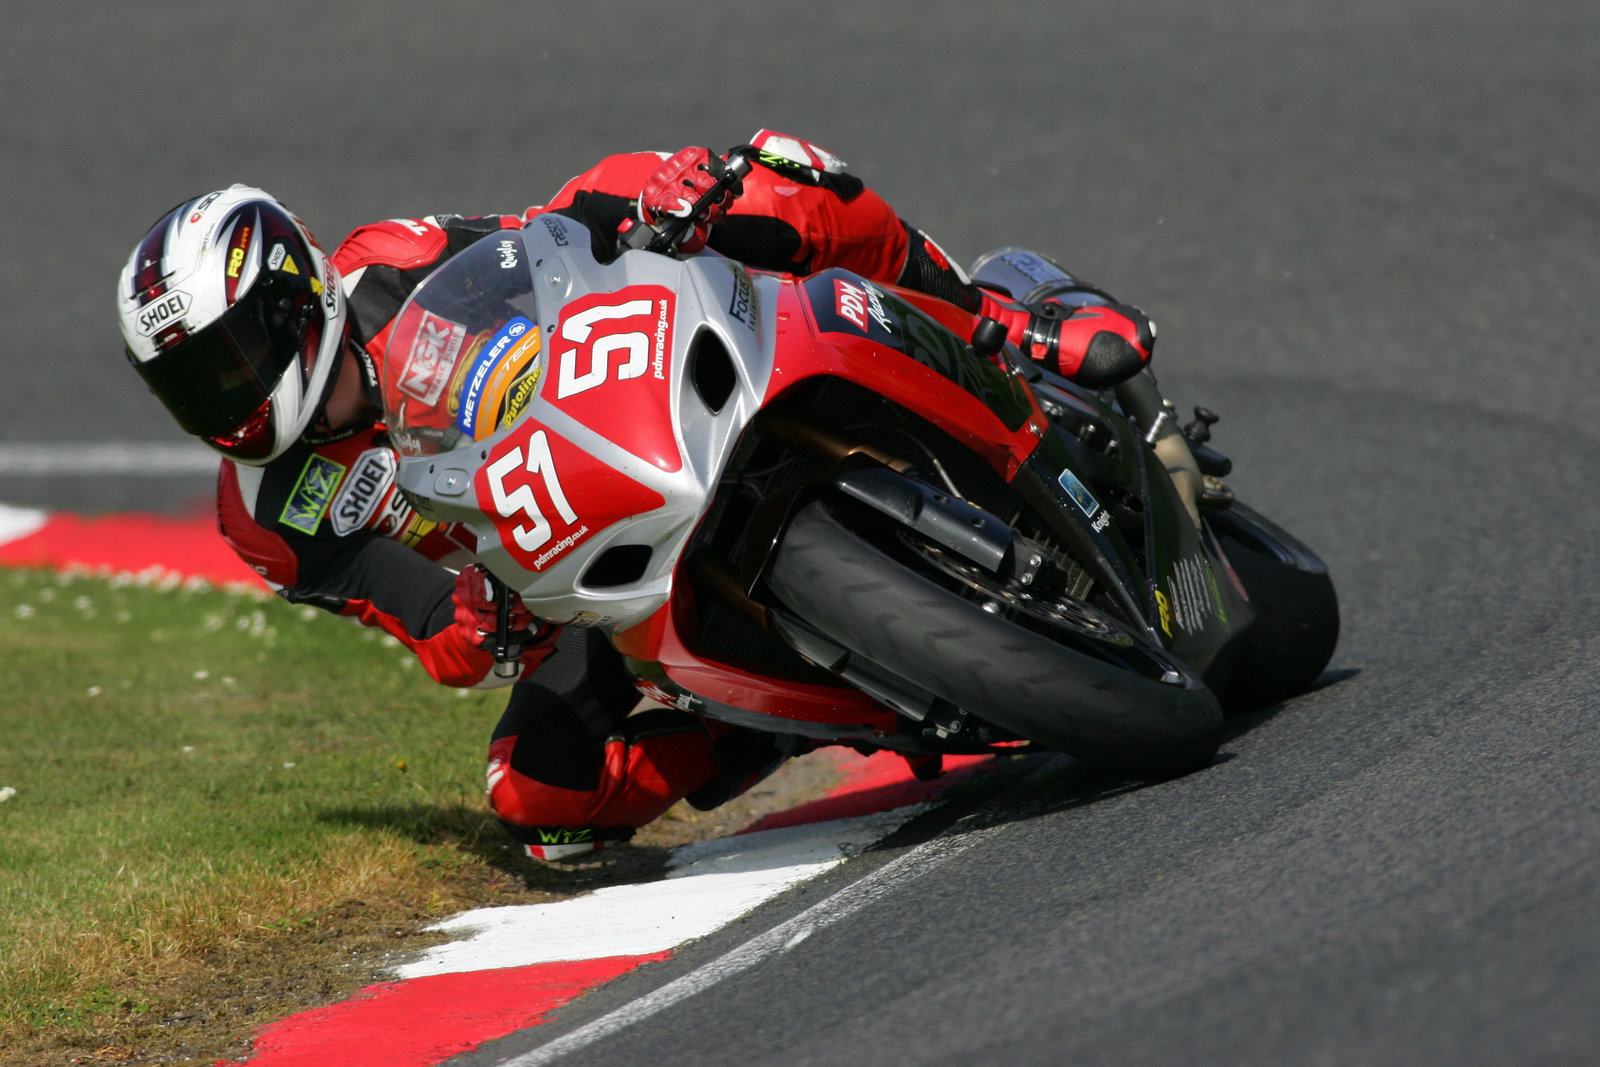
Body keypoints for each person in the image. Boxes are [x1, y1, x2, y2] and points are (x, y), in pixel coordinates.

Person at [115, 131, 1157, 860]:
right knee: (540, 798)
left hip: (619, 414)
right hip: (548, 575)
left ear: (295, 293)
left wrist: (656, 192)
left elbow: (549, 243)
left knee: (777, 178)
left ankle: (996, 321)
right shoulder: (266, 518)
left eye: (234, 355)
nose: (232, 397)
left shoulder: (390, 262)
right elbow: (424, 622)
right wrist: (481, 621)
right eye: (194, 384)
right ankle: (773, 718)